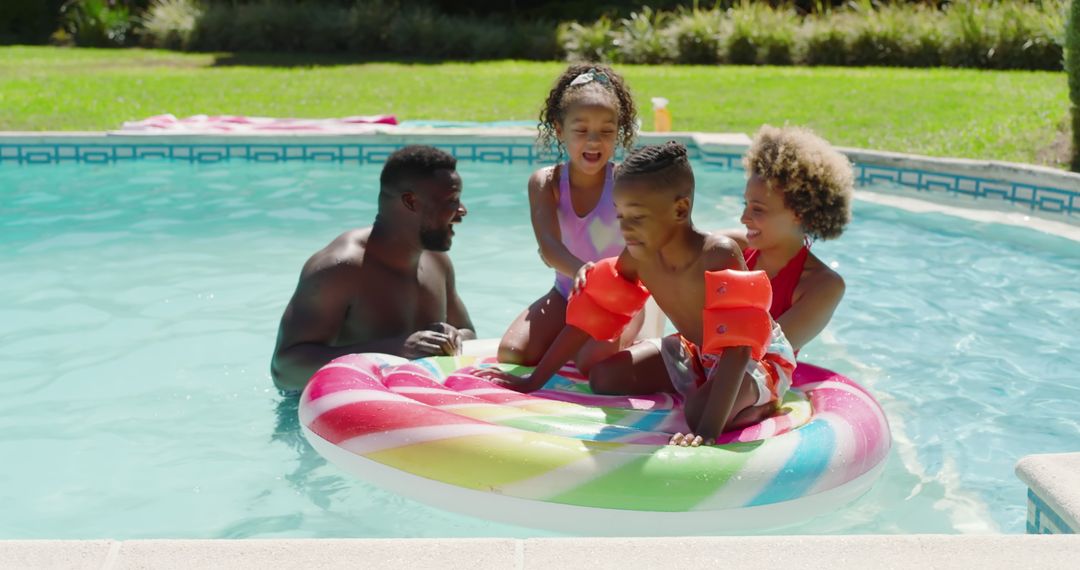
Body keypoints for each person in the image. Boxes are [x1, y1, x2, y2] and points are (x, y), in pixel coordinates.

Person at [478, 142, 796, 447]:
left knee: (698, 414)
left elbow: (739, 348)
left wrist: (708, 432)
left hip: (754, 359)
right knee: (604, 378)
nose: (626, 229)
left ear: (680, 208)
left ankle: (764, 403)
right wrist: (534, 381)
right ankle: (702, 387)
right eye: (621, 216)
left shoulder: (716, 254)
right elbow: (594, 314)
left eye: (638, 218)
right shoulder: (638, 256)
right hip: (696, 352)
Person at [271, 145, 476, 392]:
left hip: (415, 407)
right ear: (411, 201)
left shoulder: (437, 262)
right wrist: (394, 350)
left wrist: (453, 337)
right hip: (325, 418)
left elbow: (469, 334)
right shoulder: (339, 269)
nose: (462, 210)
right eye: (452, 200)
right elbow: (285, 370)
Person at [496, 63, 644, 373]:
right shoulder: (546, 183)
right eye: (581, 131)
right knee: (512, 354)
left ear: (619, 131)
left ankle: (632, 334)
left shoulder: (626, 184)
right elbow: (548, 245)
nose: (594, 141)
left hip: (619, 300)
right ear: (560, 129)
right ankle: (573, 335)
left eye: (606, 131)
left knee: (591, 363)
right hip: (566, 294)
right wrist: (579, 271)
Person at [723, 125, 853, 353]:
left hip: (751, 382)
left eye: (758, 210)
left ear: (798, 214)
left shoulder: (822, 286)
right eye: (746, 205)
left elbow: (764, 351)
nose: (744, 218)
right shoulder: (731, 249)